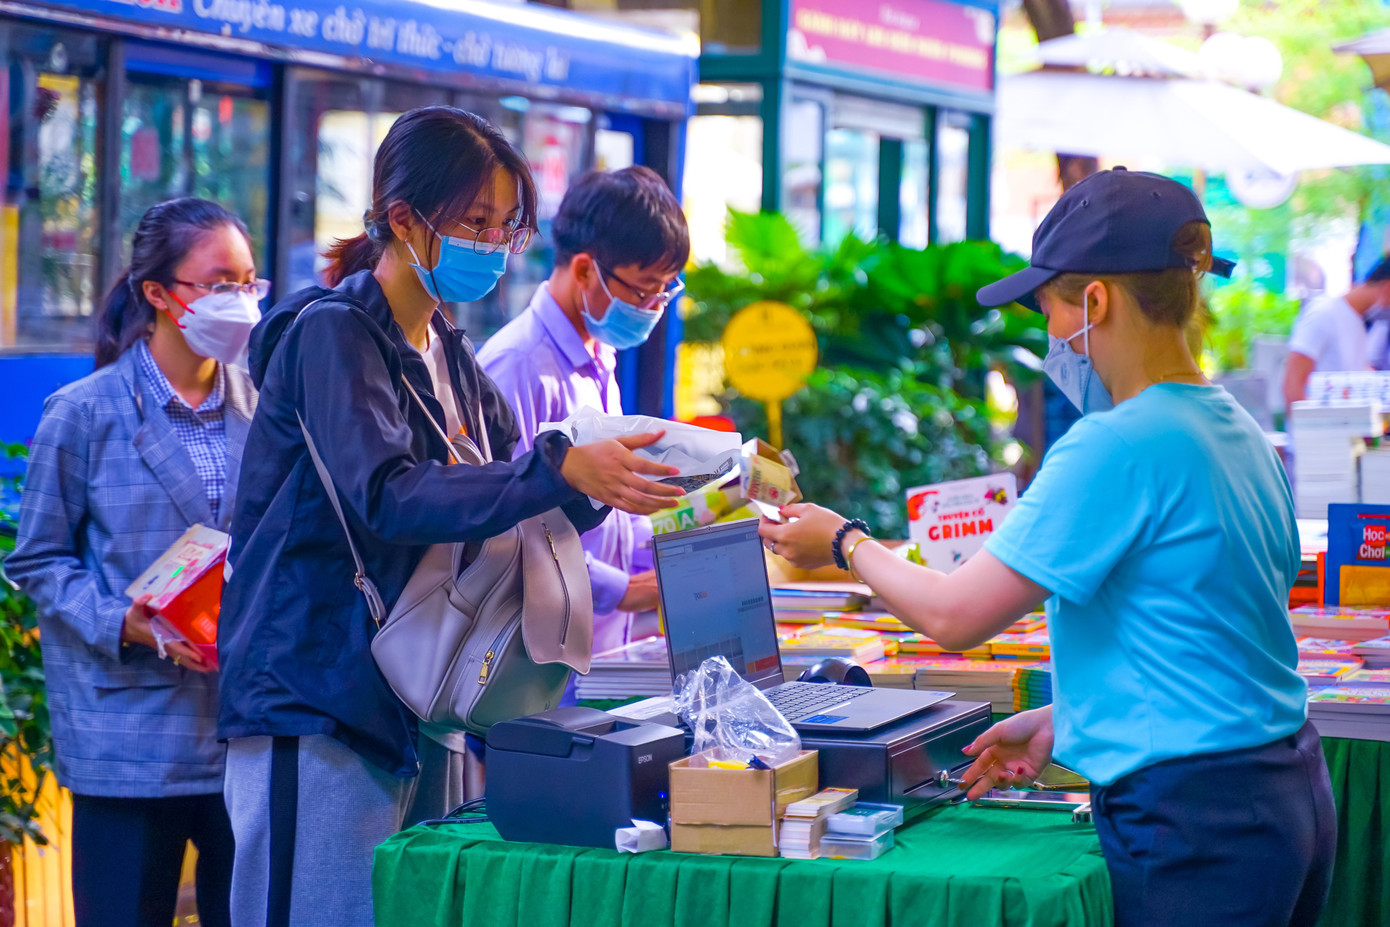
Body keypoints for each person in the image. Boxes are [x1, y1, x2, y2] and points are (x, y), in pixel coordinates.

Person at [761, 168, 1335, 927]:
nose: (1051, 335)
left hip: (1197, 817)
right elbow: (1207, 629)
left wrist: (842, 539)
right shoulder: (1234, 428)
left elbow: (957, 615)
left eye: (1049, 310)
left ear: (1095, 302)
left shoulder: (1116, 444)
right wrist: (1073, 716)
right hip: (1284, 791)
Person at [215, 106, 684, 927]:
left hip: (424, 694)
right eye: (475, 223)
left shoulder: (449, 350)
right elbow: (390, 494)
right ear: (403, 218)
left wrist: (598, 481)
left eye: (507, 227)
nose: (495, 245)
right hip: (316, 692)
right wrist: (556, 469)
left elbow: (508, 500)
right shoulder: (334, 335)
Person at [6, 197, 264, 927]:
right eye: (219, 284)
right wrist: (125, 620)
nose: (240, 301)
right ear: (157, 292)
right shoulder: (84, 412)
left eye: (249, 283)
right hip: (128, 733)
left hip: (242, 729)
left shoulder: (264, 407)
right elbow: (39, 560)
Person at [479, 165, 690, 657]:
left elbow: (613, 503)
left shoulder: (598, 354)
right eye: (644, 291)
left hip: (602, 647)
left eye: (666, 290)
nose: (654, 307)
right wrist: (621, 590)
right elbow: (505, 529)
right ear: (583, 271)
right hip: (540, 655)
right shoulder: (519, 365)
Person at [1283, 255, 1390, 409]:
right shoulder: (1324, 313)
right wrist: (1310, 422)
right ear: (1387, 287)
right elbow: (1293, 385)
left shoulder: (1358, 323)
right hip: (1317, 423)